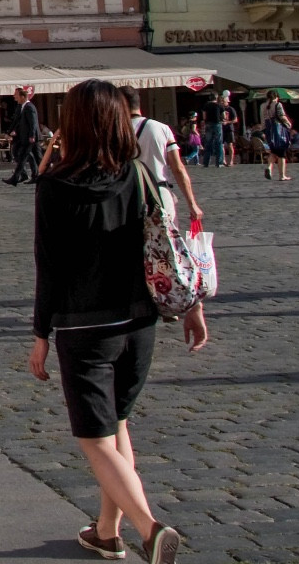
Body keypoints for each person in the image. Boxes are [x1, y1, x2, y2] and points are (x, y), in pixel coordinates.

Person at [30, 79, 202, 564]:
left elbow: (50, 264)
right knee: (118, 425)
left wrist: (41, 333)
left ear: (73, 123)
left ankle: (149, 529)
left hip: (85, 327)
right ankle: (107, 531)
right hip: (140, 322)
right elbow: (166, 247)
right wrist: (192, 307)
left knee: (95, 437)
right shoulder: (138, 175)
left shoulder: (56, 185)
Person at [123, 86, 205, 231]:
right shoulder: (161, 128)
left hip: (128, 196)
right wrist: (192, 204)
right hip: (160, 193)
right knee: (167, 245)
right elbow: (178, 168)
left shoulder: (114, 130)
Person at [5, 86, 40, 185]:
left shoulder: (29, 107)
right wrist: (10, 132)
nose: (14, 97)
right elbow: (17, 121)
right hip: (26, 137)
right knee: (36, 158)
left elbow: (33, 123)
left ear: (22, 97)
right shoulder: (22, 107)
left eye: (16, 95)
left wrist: (32, 135)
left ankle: (16, 178)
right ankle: (38, 175)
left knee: (24, 157)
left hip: (30, 138)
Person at [262, 93, 293, 181]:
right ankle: (282, 175)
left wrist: (264, 130)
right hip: (278, 130)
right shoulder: (277, 104)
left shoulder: (263, 106)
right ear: (276, 97)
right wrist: (288, 123)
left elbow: (263, 120)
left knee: (273, 152)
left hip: (269, 130)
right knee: (281, 154)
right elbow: (282, 116)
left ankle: (269, 167)